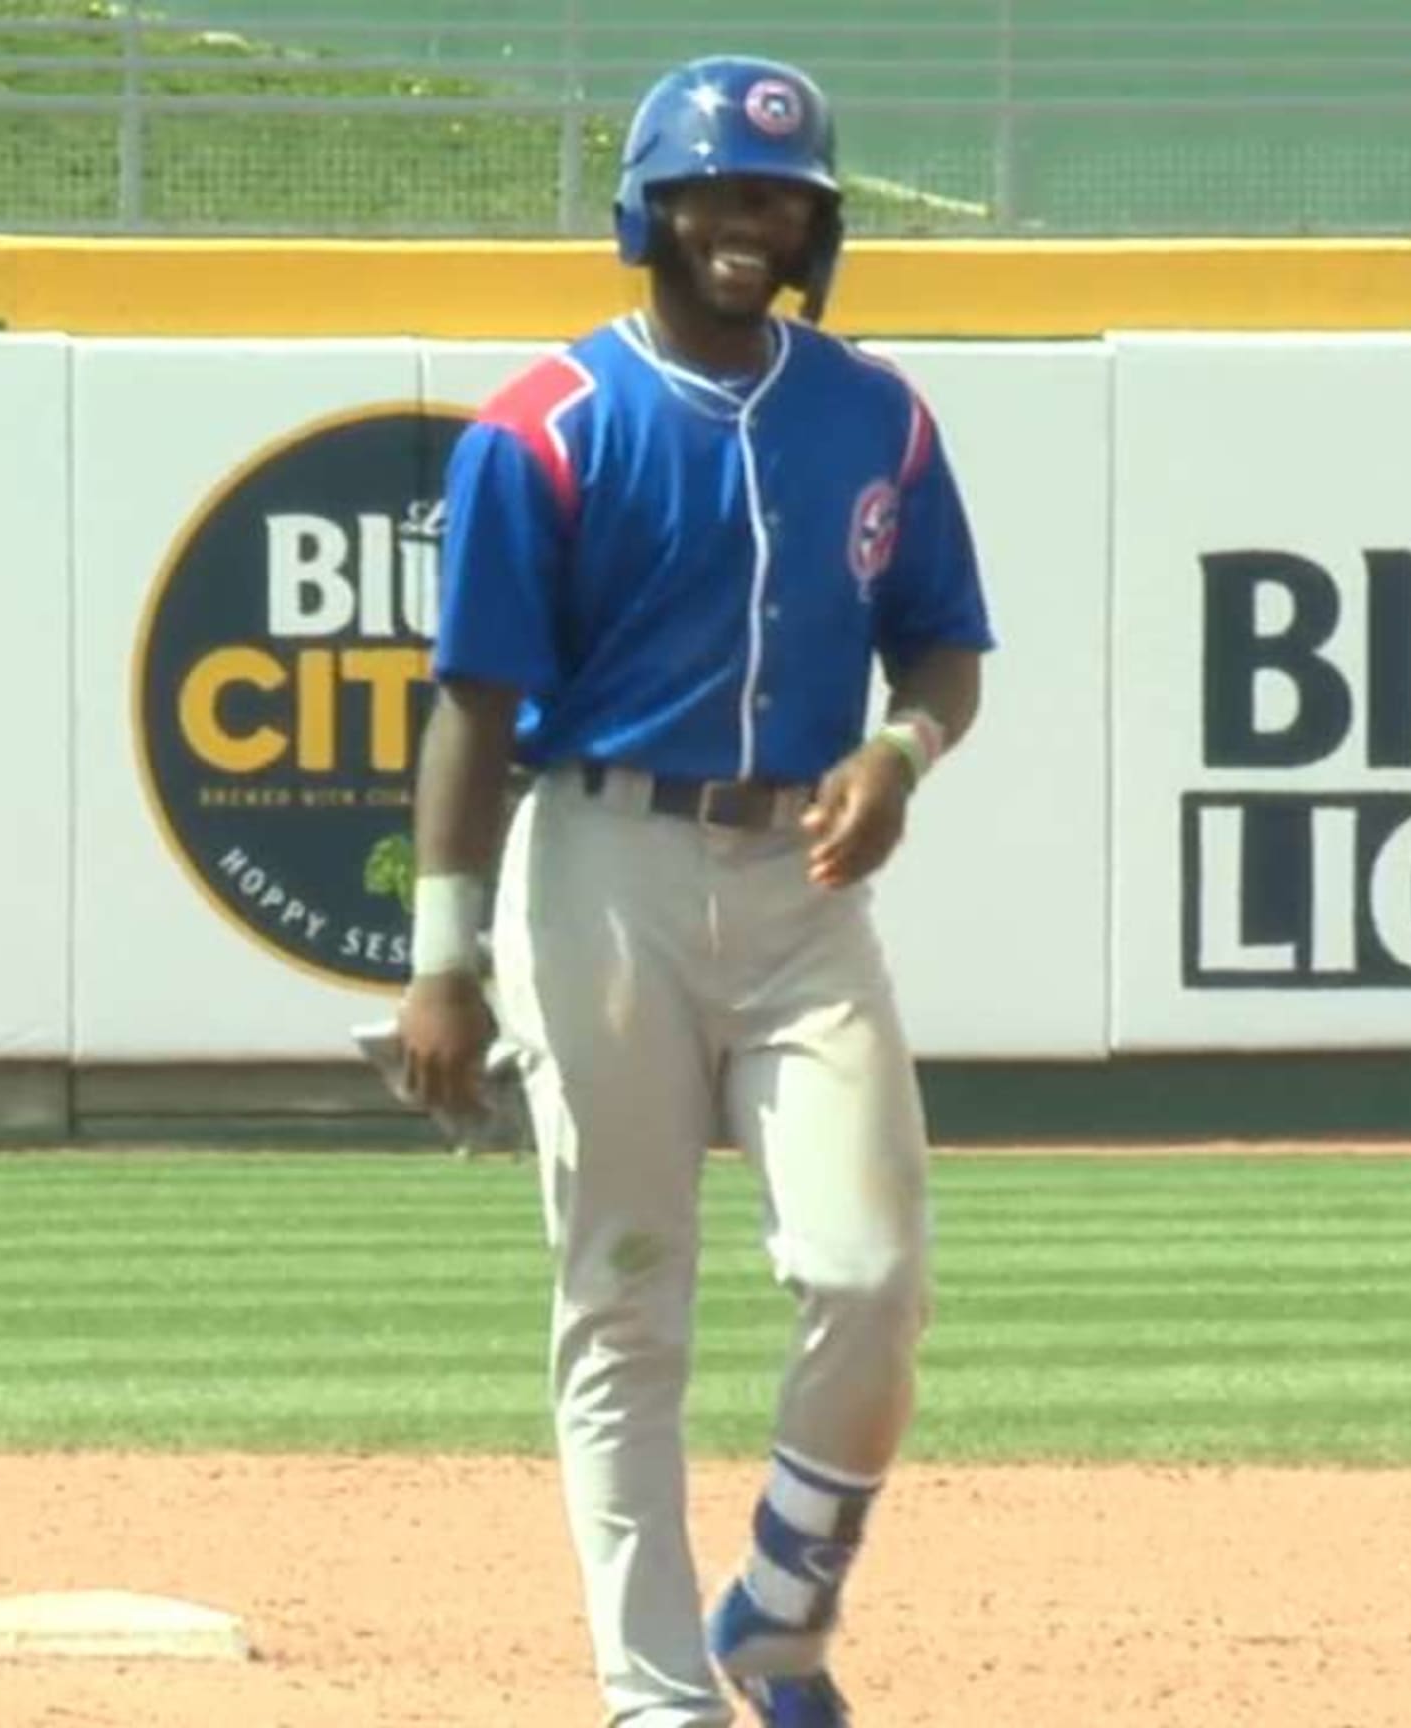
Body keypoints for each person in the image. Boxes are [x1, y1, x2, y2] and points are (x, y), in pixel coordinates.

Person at [390, 52, 993, 1728]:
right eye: (722, 191)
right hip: (602, 866)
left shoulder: (874, 412)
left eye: (784, 198)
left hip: (805, 878)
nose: (754, 221)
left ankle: (779, 1615)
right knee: (626, 1284)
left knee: (874, 1278)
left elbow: (943, 640)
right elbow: (475, 708)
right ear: (650, 208)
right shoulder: (548, 427)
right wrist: (442, 965)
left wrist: (904, 752)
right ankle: (655, 1691)